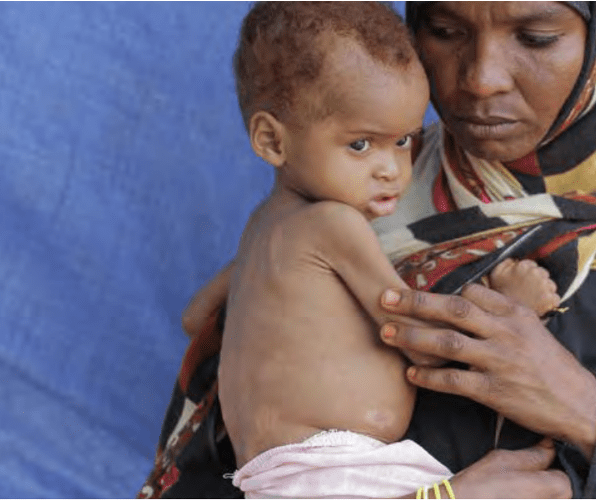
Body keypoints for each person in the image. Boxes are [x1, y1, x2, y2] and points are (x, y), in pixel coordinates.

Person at [140, 2, 596, 498]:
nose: (481, 77)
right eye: (444, 30)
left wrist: (591, 414)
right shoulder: (339, 209)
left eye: (536, 36)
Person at [212, 3, 563, 498]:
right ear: (272, 140)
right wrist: (512, 307)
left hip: (272, 474)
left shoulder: (259, 230)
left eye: (403, 142)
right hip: (332, 471)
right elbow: (415, 338)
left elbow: (196, 318)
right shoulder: (334, 224)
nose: (392, 170)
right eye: (361, 145)